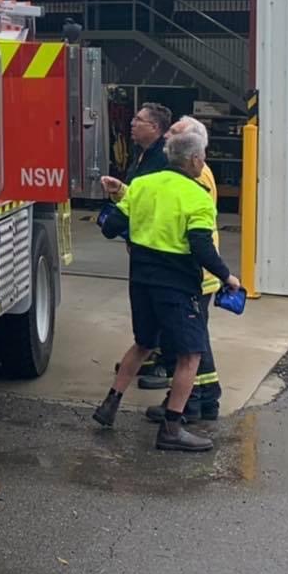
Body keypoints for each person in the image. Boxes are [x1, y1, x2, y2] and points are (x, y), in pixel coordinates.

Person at [91, 128, 242, 451]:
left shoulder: (143, 186)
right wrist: (228, 276)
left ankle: (110, 405)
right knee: (190, 354)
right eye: (202, 157)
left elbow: (112, 228)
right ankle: (172, 428)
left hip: (141, 280)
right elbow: (200, 245)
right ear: (195, 160)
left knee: (144, 342)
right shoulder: (197, 197)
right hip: (177, 284)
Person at [144, 116, 224, 423]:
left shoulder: (195, 178)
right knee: (195, 340)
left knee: (188, 345)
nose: (167, 139)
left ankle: (191, 403)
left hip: (193, 274)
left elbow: (191, 231)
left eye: (174, 136)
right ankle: (206, 398)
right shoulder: (199, 173)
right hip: (198, 273)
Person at [99, 101, 174, 388]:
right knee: (146, 309)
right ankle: (151, 354)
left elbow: (150, 203)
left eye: (138, 120)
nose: (132, 124)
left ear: (155, 128)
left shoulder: (161, 160)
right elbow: (137, 198)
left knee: (162, 308)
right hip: (141, 243)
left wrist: (117, 220)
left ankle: (164, 364)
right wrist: (120, 191)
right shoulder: (142, 155)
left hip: (157, 250)